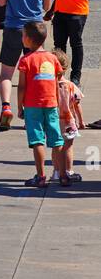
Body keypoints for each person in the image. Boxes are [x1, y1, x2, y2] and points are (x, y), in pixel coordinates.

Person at [0, 0, 54, 130]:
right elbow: (46, 6)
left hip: (13, 26)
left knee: (7, 73)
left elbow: (2, 2)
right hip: (35, 28)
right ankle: (34, 111)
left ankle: (6, 107)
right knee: (36, 73)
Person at [16, 20, 63, 188]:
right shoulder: (52, 58)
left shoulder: (25, 60)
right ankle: (63, 175)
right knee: (57, 140)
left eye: (23, 35)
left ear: (28, 39)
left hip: (32, 105)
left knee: (37, 141)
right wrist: (58, 102)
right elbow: (57, 82)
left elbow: (22, 86)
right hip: (51, 104)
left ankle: (41, 176)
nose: (22, 38)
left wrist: (19, 105)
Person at [51, 48, 84, 186]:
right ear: (66, 68)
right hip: (68, 122)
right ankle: (69, 171)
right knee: (68, 147)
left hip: (53, 121)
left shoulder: (49, 86)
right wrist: (81, 121)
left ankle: (57, 171)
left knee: (56, 146)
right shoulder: (70, 86)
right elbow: (77, 105)